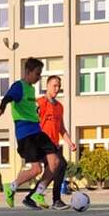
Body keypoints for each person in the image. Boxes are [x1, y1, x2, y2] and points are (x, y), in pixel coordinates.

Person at [0, 57, 62, 210]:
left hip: (37, 131)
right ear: (28, 72)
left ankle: (38, 193)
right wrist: (1, 108)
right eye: (37, 74)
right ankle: (11, 187)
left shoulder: (31, 89)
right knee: (36, 169)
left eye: (40, 74)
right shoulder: (19, 86)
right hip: (26, 134)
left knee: (55, 162)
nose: (39, 77)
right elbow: (8, 97)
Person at [36, 74, 78, 209]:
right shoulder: (39, 103)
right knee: (59, 164)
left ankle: (37, 195)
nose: (57, 88)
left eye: (59, 86)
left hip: (53, 145)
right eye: (54, 85)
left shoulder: (59, 106)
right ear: (47, 86)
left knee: (55, 168)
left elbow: (61, 128)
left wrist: (69, 142)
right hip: (41, 144)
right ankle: (55, 200)